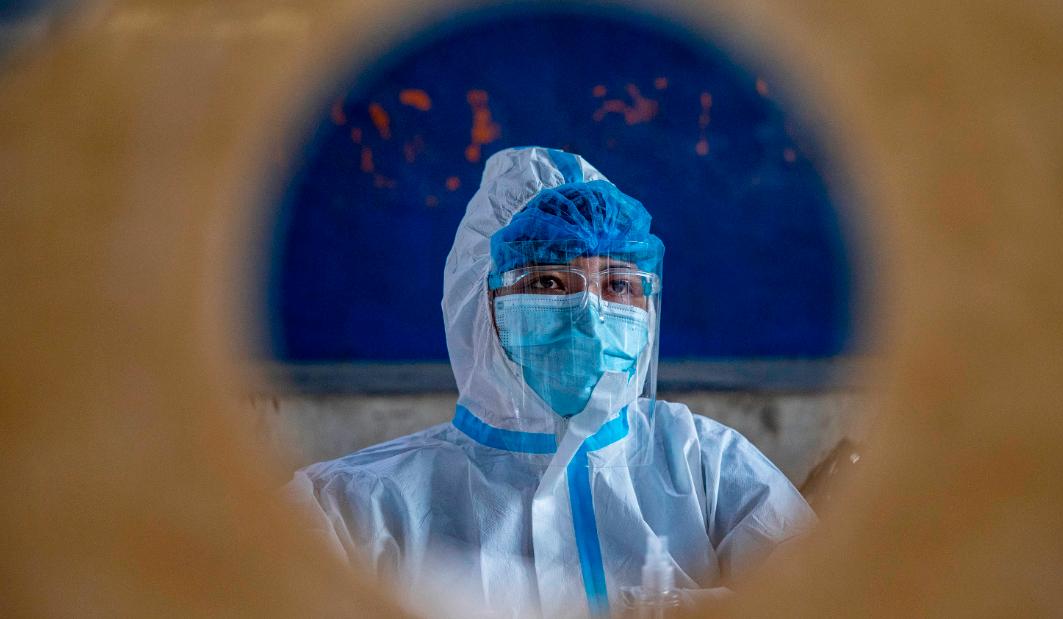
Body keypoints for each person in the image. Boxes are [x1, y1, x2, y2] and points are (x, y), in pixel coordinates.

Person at [287, 147, 816, 618]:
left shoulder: (708, 466)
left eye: (618, 285)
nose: (591, 315)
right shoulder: (349, 510)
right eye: (546, 281)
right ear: (478, 299)